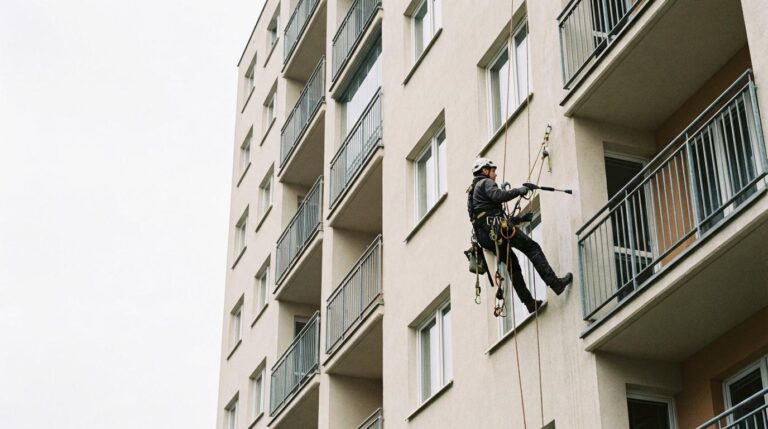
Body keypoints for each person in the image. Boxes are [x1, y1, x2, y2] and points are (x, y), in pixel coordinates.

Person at [467, 158, 573, 313]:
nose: (495, 175)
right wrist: (519, 190)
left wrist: (520, 219)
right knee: (531, 247)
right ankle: (555, 283)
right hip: (496, 228)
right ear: (484, 171)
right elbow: (498, 197)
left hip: (486, 237)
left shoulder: (472, 192)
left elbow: (487, 216)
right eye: (493, 171)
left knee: (513, 266)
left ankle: (529, 303)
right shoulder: (485, 183)